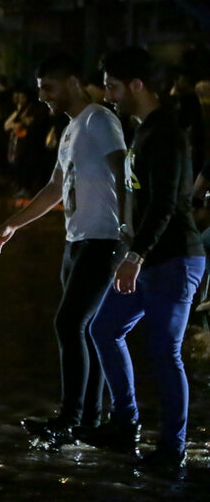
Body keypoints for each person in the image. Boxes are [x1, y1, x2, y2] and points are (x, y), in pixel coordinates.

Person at [0, 52, 127, 447]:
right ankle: (87, 420)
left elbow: (122, 171)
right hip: (77, 240)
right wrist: (11, 224)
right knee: (87, 328)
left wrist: (129, 234)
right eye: (40, 89)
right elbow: (54, 188)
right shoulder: (70, 130)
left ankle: (72, 417)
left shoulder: (100, 120)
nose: (43, 97)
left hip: (104, 238)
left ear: (72, 83)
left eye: (48, 88)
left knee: (70, 323)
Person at [85, 47, 204, 474]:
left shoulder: (167, 132)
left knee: (164, 351)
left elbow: (168, 204)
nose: (109, 96)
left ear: (137, 85)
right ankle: (125, 424)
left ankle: (173, 451)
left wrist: (135, 254)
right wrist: (128, 241)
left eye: (114, 87)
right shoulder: (144, 130)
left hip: (174, 260)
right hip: (150, 257)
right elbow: (142, 198)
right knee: (104, 327)